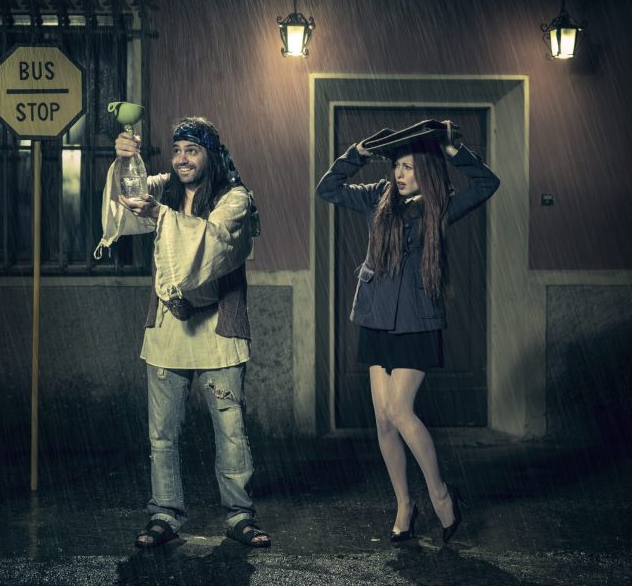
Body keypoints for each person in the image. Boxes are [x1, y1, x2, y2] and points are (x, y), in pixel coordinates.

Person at [315, 120, 499, 544]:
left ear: (426, 171)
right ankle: (404, 504)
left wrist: (452, 149)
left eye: (409, 167)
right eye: (397, 166)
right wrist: (358, 154)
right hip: (376, 319)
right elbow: (327, 189)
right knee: (383, 420)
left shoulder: (441, 206)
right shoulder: (376, 198)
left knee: (400, 410)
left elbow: (487, 183)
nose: (399, 174)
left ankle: (441, 494)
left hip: (417, 322)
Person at [110, 117, 270, 549]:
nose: (181, 159)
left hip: (218, 329)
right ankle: (164, 513)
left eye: (192, 150)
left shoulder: (233, 197)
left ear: (210, 156)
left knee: (231, 430)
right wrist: (125, 161)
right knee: (161, 433)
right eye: (177, 150)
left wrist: (160, 215)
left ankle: (239, 515)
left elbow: (214, 243)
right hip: (168, 328)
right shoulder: (165, 188)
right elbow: (126, 195)